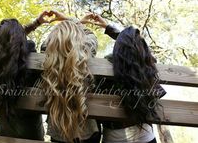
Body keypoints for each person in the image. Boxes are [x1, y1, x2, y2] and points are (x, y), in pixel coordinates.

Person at [81, 14, 166, 143]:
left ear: (117, 49)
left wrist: (79, 23)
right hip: (146, 137)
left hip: (113, 138)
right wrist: (109, 27)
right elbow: (136, 46)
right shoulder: (145, 66)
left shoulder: (104, 69)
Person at [0, 12, 50, 140]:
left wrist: (35, 24)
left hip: (4, 129)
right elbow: (16, 43)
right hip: (30, 130)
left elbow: (8, 43)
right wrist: (35, 24)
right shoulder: (28, 50)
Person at [40, 17, 100, 143]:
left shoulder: (47, 54)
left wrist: (61, 27)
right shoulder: (86, 51)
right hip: (86, 131)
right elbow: (90, 35)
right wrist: (76, 22)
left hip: (58, 130)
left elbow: (46, 43)